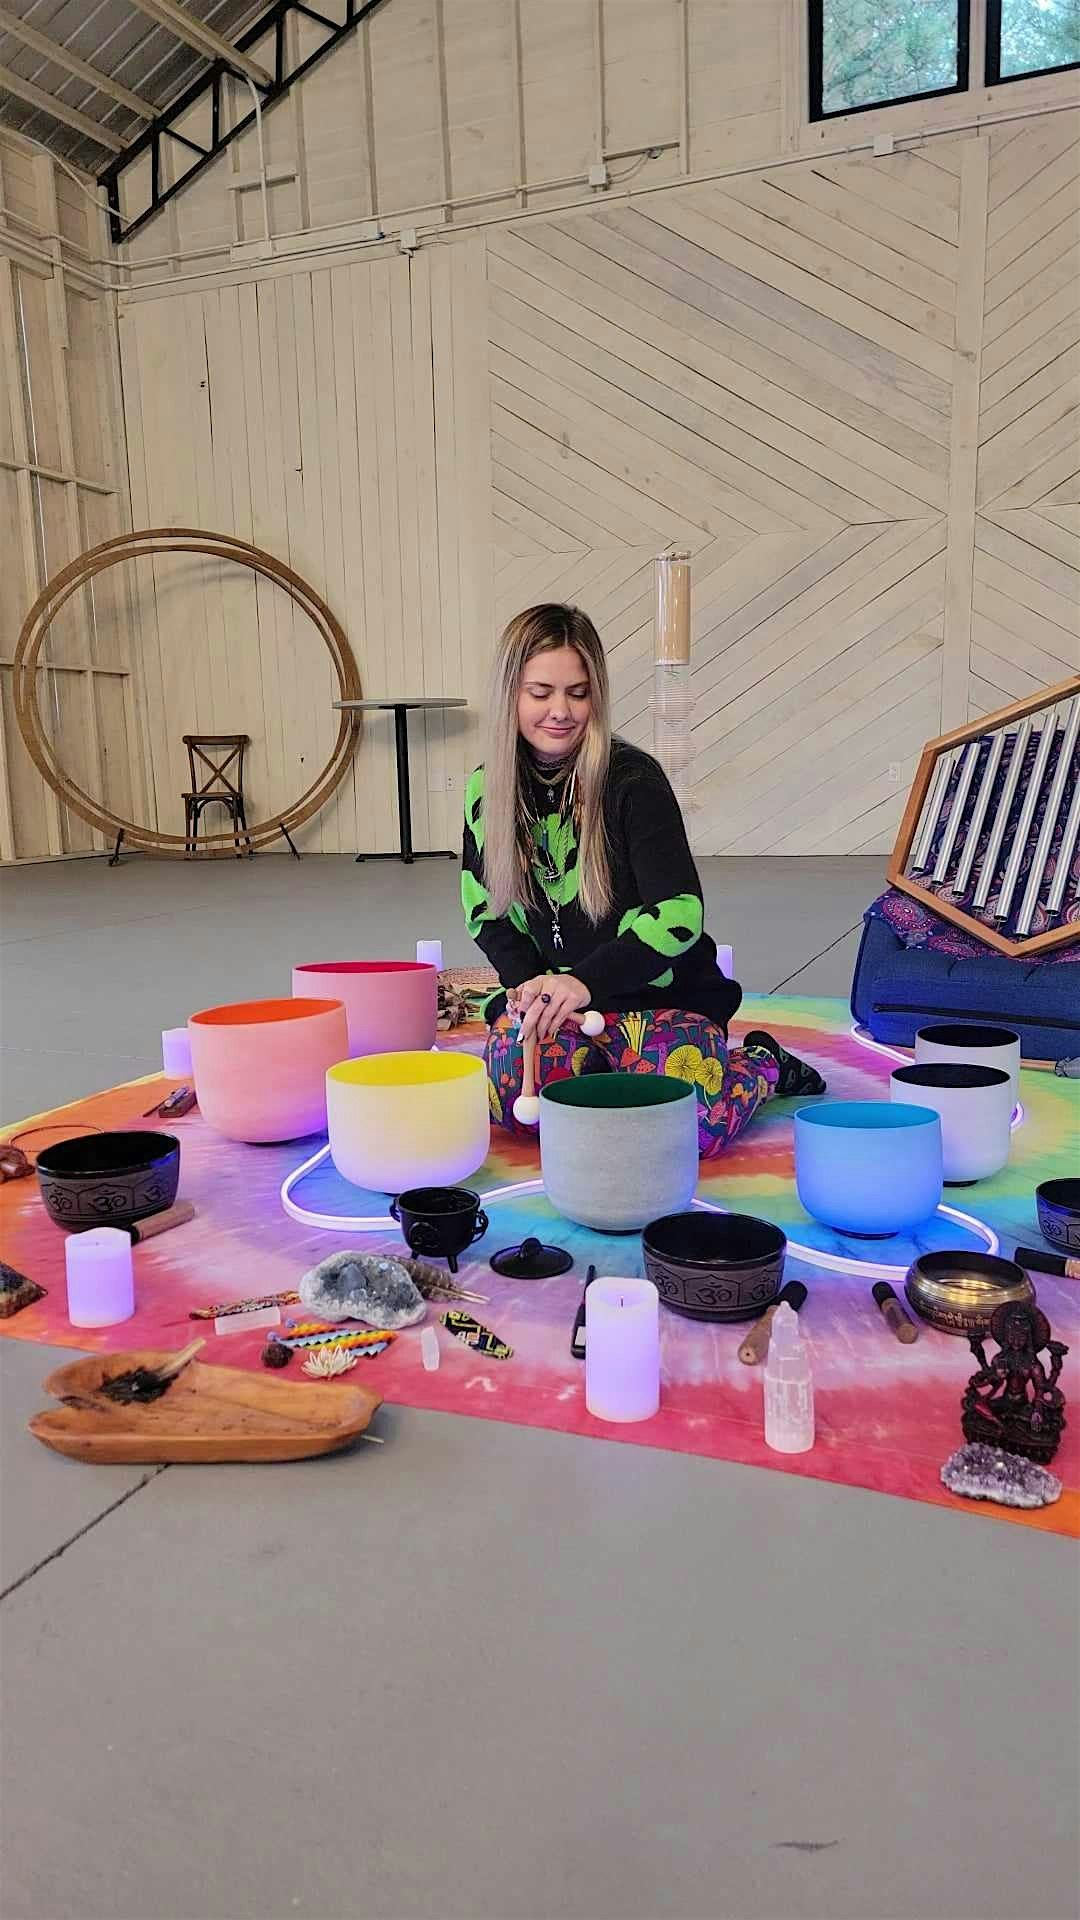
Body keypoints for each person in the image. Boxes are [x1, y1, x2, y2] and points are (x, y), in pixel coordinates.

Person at [461, 603, 826, 1153]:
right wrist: (530, 986)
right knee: (515, 1106)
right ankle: (606, 1075)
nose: (560, 711)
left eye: (578, 693)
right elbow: (483, 910)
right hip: (561, 1002)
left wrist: (583, 982)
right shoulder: (486, 791)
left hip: (658, 998)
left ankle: (762, 1063)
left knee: (689, 1130)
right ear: (510, 693)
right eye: (541, 693)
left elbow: (679, 915)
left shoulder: (634, 781)